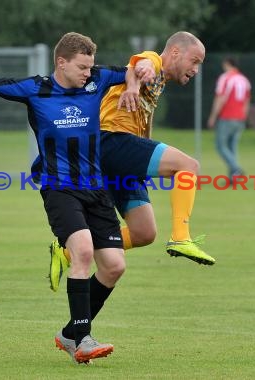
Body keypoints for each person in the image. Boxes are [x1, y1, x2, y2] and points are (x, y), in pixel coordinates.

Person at [0, 32, 150, 364]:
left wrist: (132, 84)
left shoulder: (97, 79)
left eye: (90, 67)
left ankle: (71, 332)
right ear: (61, 62)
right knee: (83, 250)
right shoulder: (34, 88)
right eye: (82, 67)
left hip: (96, 189)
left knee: (114, 266)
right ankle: (82, 339)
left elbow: (135, 67)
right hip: (59, 188)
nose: (89, 73)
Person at [47, 31, 214, 294]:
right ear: (175, 53)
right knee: (188, 166)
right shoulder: (154, 62)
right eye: (195, 61)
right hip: (110, 140)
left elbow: (140, 112)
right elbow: (139, 65)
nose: (195, 69)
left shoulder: (160, 83)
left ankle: (66, 252)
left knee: (143, 233)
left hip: (120, 154)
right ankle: (181, 237)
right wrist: (135, 83)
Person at [207, 57, 251, 179]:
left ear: (227, 64)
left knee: (220, 146)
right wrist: (244, 117)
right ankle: (233, 178)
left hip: (227, 116)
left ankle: (236, 169)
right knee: (232, 147)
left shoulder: (225, 78)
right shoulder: (244, 79)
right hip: (240, 117)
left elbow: (221, 98)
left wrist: (213, 116)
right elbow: (247, 101)